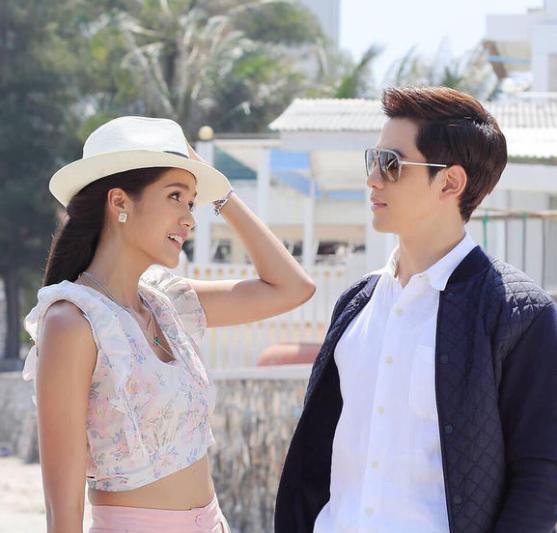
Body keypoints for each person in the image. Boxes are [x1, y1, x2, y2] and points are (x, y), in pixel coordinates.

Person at [275, 86, 557, 533]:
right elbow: (315, 456)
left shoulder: (517, 313)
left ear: (450, 182)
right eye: (373, 160)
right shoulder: (357, 303)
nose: (373, 179)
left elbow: (541, 476)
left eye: (391, 163)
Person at [21, 115, 316, 533]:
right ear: (119, 202)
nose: (189, 219)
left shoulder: (166, 302)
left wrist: (222, 194)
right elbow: (63, 512)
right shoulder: (73, 322)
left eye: (192, 203)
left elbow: (293, 287)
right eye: (175, 196)